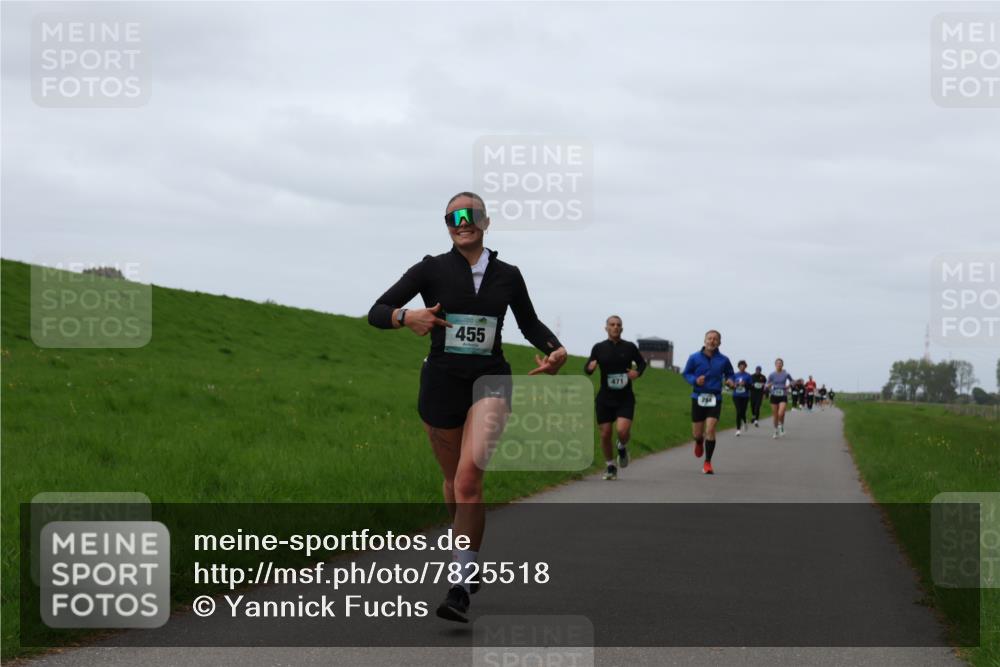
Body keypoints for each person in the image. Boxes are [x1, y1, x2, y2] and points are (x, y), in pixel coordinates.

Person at [368, 192, 567, 623]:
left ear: (486, 221)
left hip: (490, 381)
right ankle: (467, 555)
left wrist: (555, 349)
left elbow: (529, 323)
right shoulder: (430, 269)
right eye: (453, 216)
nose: (463, 221)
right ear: (446, 224)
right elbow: (376, 311)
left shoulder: (508, 275)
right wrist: (406, 317)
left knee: (468, 478)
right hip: (441, 383)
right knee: (452, 482)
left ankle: (459, 585)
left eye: (471, 214)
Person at [585, 315, 647, 480]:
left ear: (622, 328)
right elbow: (588, 367)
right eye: (612, 324)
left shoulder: (630, 347)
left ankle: (621, 446)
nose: (615, 327)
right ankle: (610, 466)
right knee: (605, 434)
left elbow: (642, 363)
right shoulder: (599, 348)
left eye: (618, 325)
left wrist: (637, 373)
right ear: (606, 328)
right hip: (605, 398)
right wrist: (590, 367)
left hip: (625, 398)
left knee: (622, 431)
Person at [681, 330, 735, 474]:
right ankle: (699, 442)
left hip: (715, 398)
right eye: (709, 338)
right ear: (704, 340)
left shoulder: (724, 360)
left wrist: (730, 381)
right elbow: (686, 373)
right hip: (698, 397)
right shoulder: (694, 357)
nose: (712, 341)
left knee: (710, 430)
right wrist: (695, 380)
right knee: (697, 434)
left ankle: (707, 463)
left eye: (715, 339)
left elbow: (730, 374)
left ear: (719, 342)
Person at [765, 359, 794, 438]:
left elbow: (792, 381)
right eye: (777, 363)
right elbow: (766, 384)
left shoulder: (786, 374)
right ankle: (775, 431)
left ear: (782, 365)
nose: (779, 364)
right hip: (774, 395)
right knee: (775, 415)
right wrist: (768, 386)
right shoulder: (772, 374)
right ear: (775, 365)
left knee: (781, 413)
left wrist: (788, 386)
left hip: (783, 395)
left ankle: (781, 426)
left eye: (780, 363)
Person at [731, 360, 753, 436]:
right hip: (736, 395)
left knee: (743, 411)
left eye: (743, 366)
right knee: (738, 411)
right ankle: (738, 429)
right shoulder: (735, 375)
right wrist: (735, 384)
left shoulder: (748, 375)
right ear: (738, 367)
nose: (742, 367)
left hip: (745, 396)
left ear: (745, 367)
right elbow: (731, 385)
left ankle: (745, 421)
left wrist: (744, 384)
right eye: (740, 366)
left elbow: (751, 386)